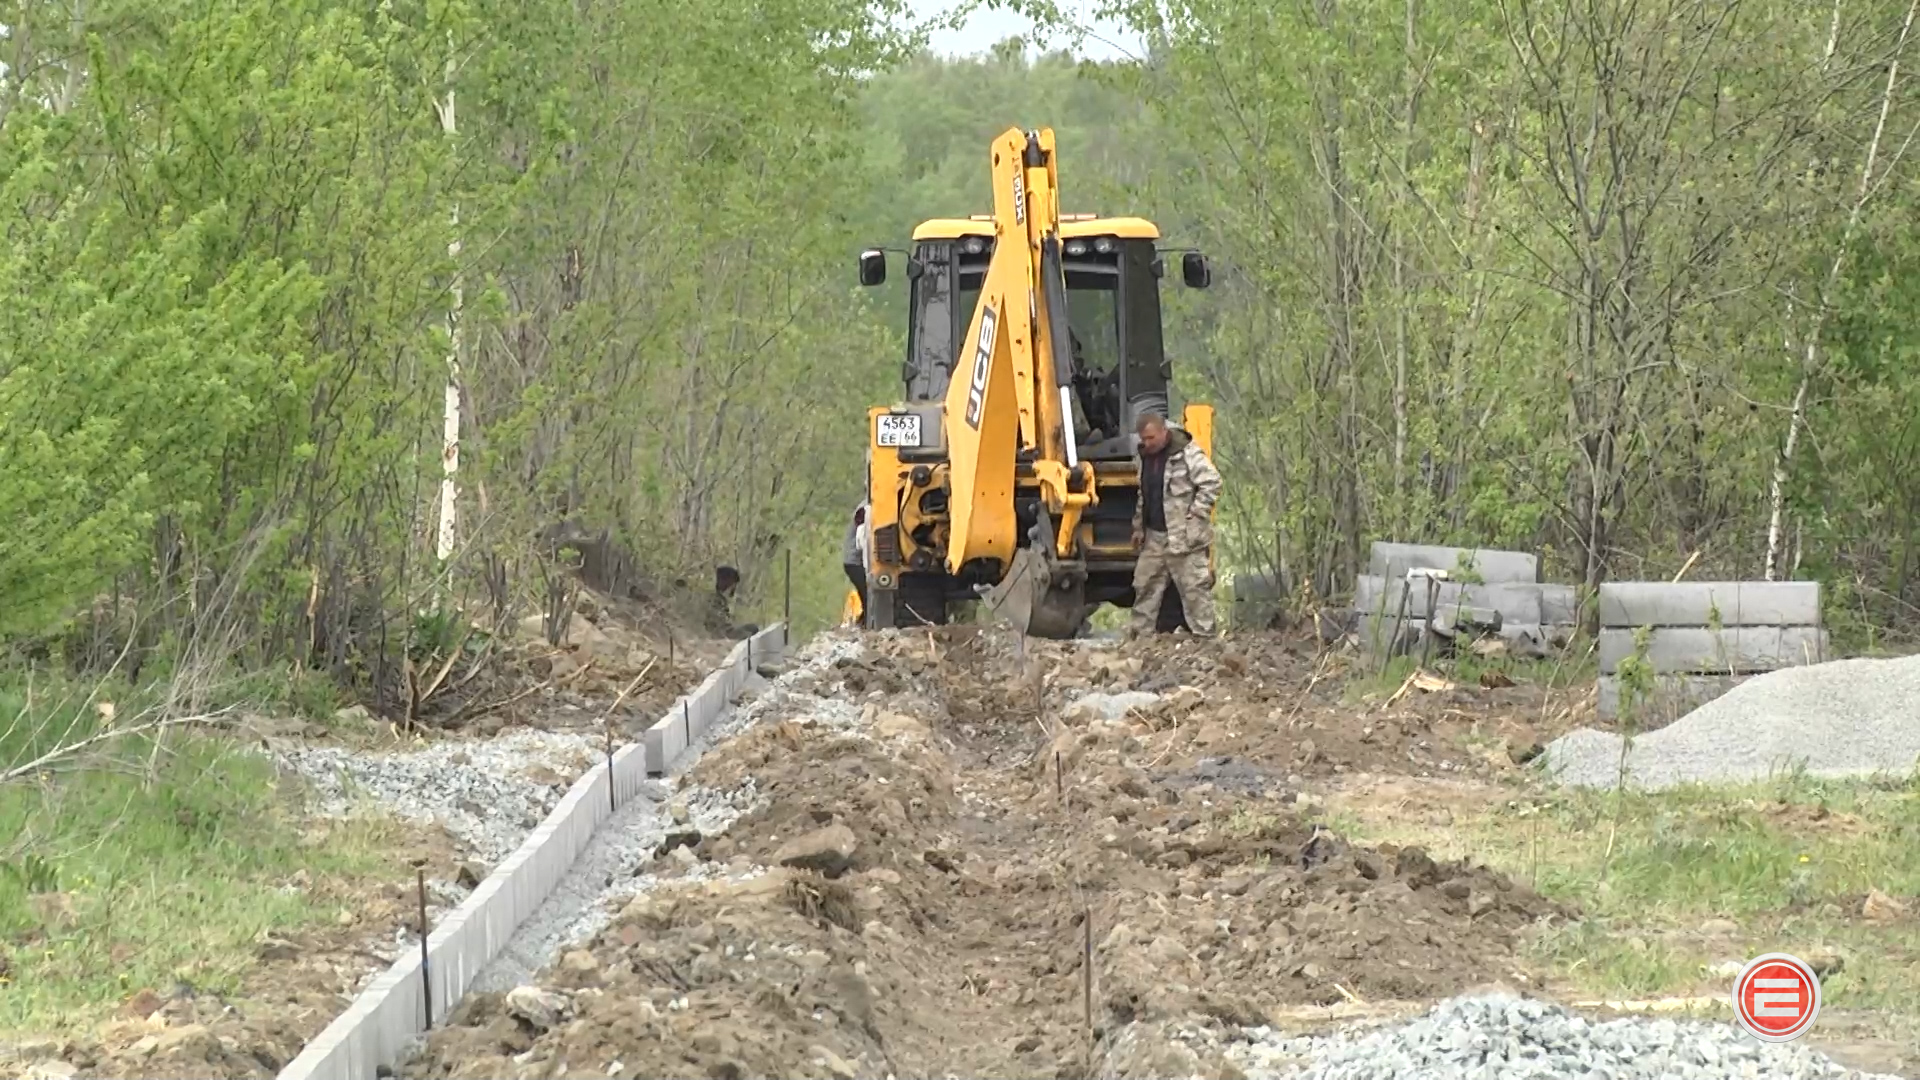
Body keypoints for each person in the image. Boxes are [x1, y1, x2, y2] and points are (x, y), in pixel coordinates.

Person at [1129, 411, 1222, 637]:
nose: (1147, 443)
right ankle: (1140, 641)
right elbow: (1145, 495)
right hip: (1155, 537)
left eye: (1151, 438)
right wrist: (1138, 527)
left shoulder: (1187, 453)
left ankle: (1206, 639)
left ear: (1164, 431)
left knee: (1194, 591)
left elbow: (1212, 482)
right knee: (1144, 586)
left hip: (1184, 536)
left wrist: (1196, 515)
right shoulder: (1144, 458)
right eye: (1143, 439)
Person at [707, 565, 758, 639]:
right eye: (733, 585)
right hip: (723, 634)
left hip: (726, 631)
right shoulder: (715, 599)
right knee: (749, 633)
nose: (734, 588)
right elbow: (721, 626)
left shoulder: (721, 598)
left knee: (753, 628)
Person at [842, 502, 869, 619]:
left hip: (852, 561)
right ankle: (864, 621)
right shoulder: (864, 509)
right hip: (854, 561)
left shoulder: (864, 507)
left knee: (866, 597)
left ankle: (863, 621)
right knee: (868, 596)